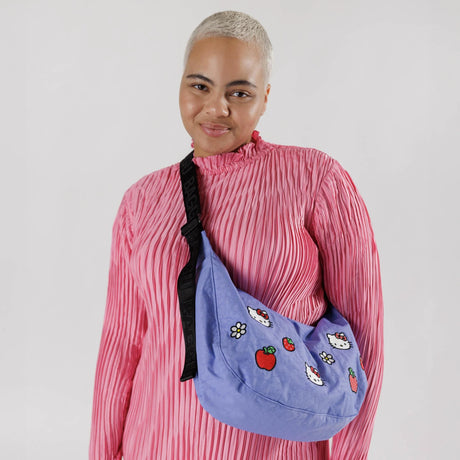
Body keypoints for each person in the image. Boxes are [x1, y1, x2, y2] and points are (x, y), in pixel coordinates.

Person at [89, 10, 383, 460]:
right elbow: (121, 347)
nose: (215, 108)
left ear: (264, 98)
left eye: (239, 92)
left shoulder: (314, 179)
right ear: (181, 87)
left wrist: (350, 455)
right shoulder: (141, 202)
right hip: (155, 443)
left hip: (275, 448)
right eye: (199, 86)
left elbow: (363, 337)